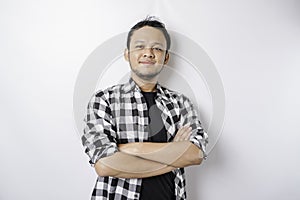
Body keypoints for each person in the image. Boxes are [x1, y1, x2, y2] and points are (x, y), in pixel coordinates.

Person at [82, 16, 208, 200]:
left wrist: (132, 149)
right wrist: (173, 152)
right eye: (140, 46)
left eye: (157, 48)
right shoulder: (104, 100)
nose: (148, 53)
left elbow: (195, 154)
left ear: (165, 57)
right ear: (127, 54)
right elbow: (105, 165)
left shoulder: (181, 103)